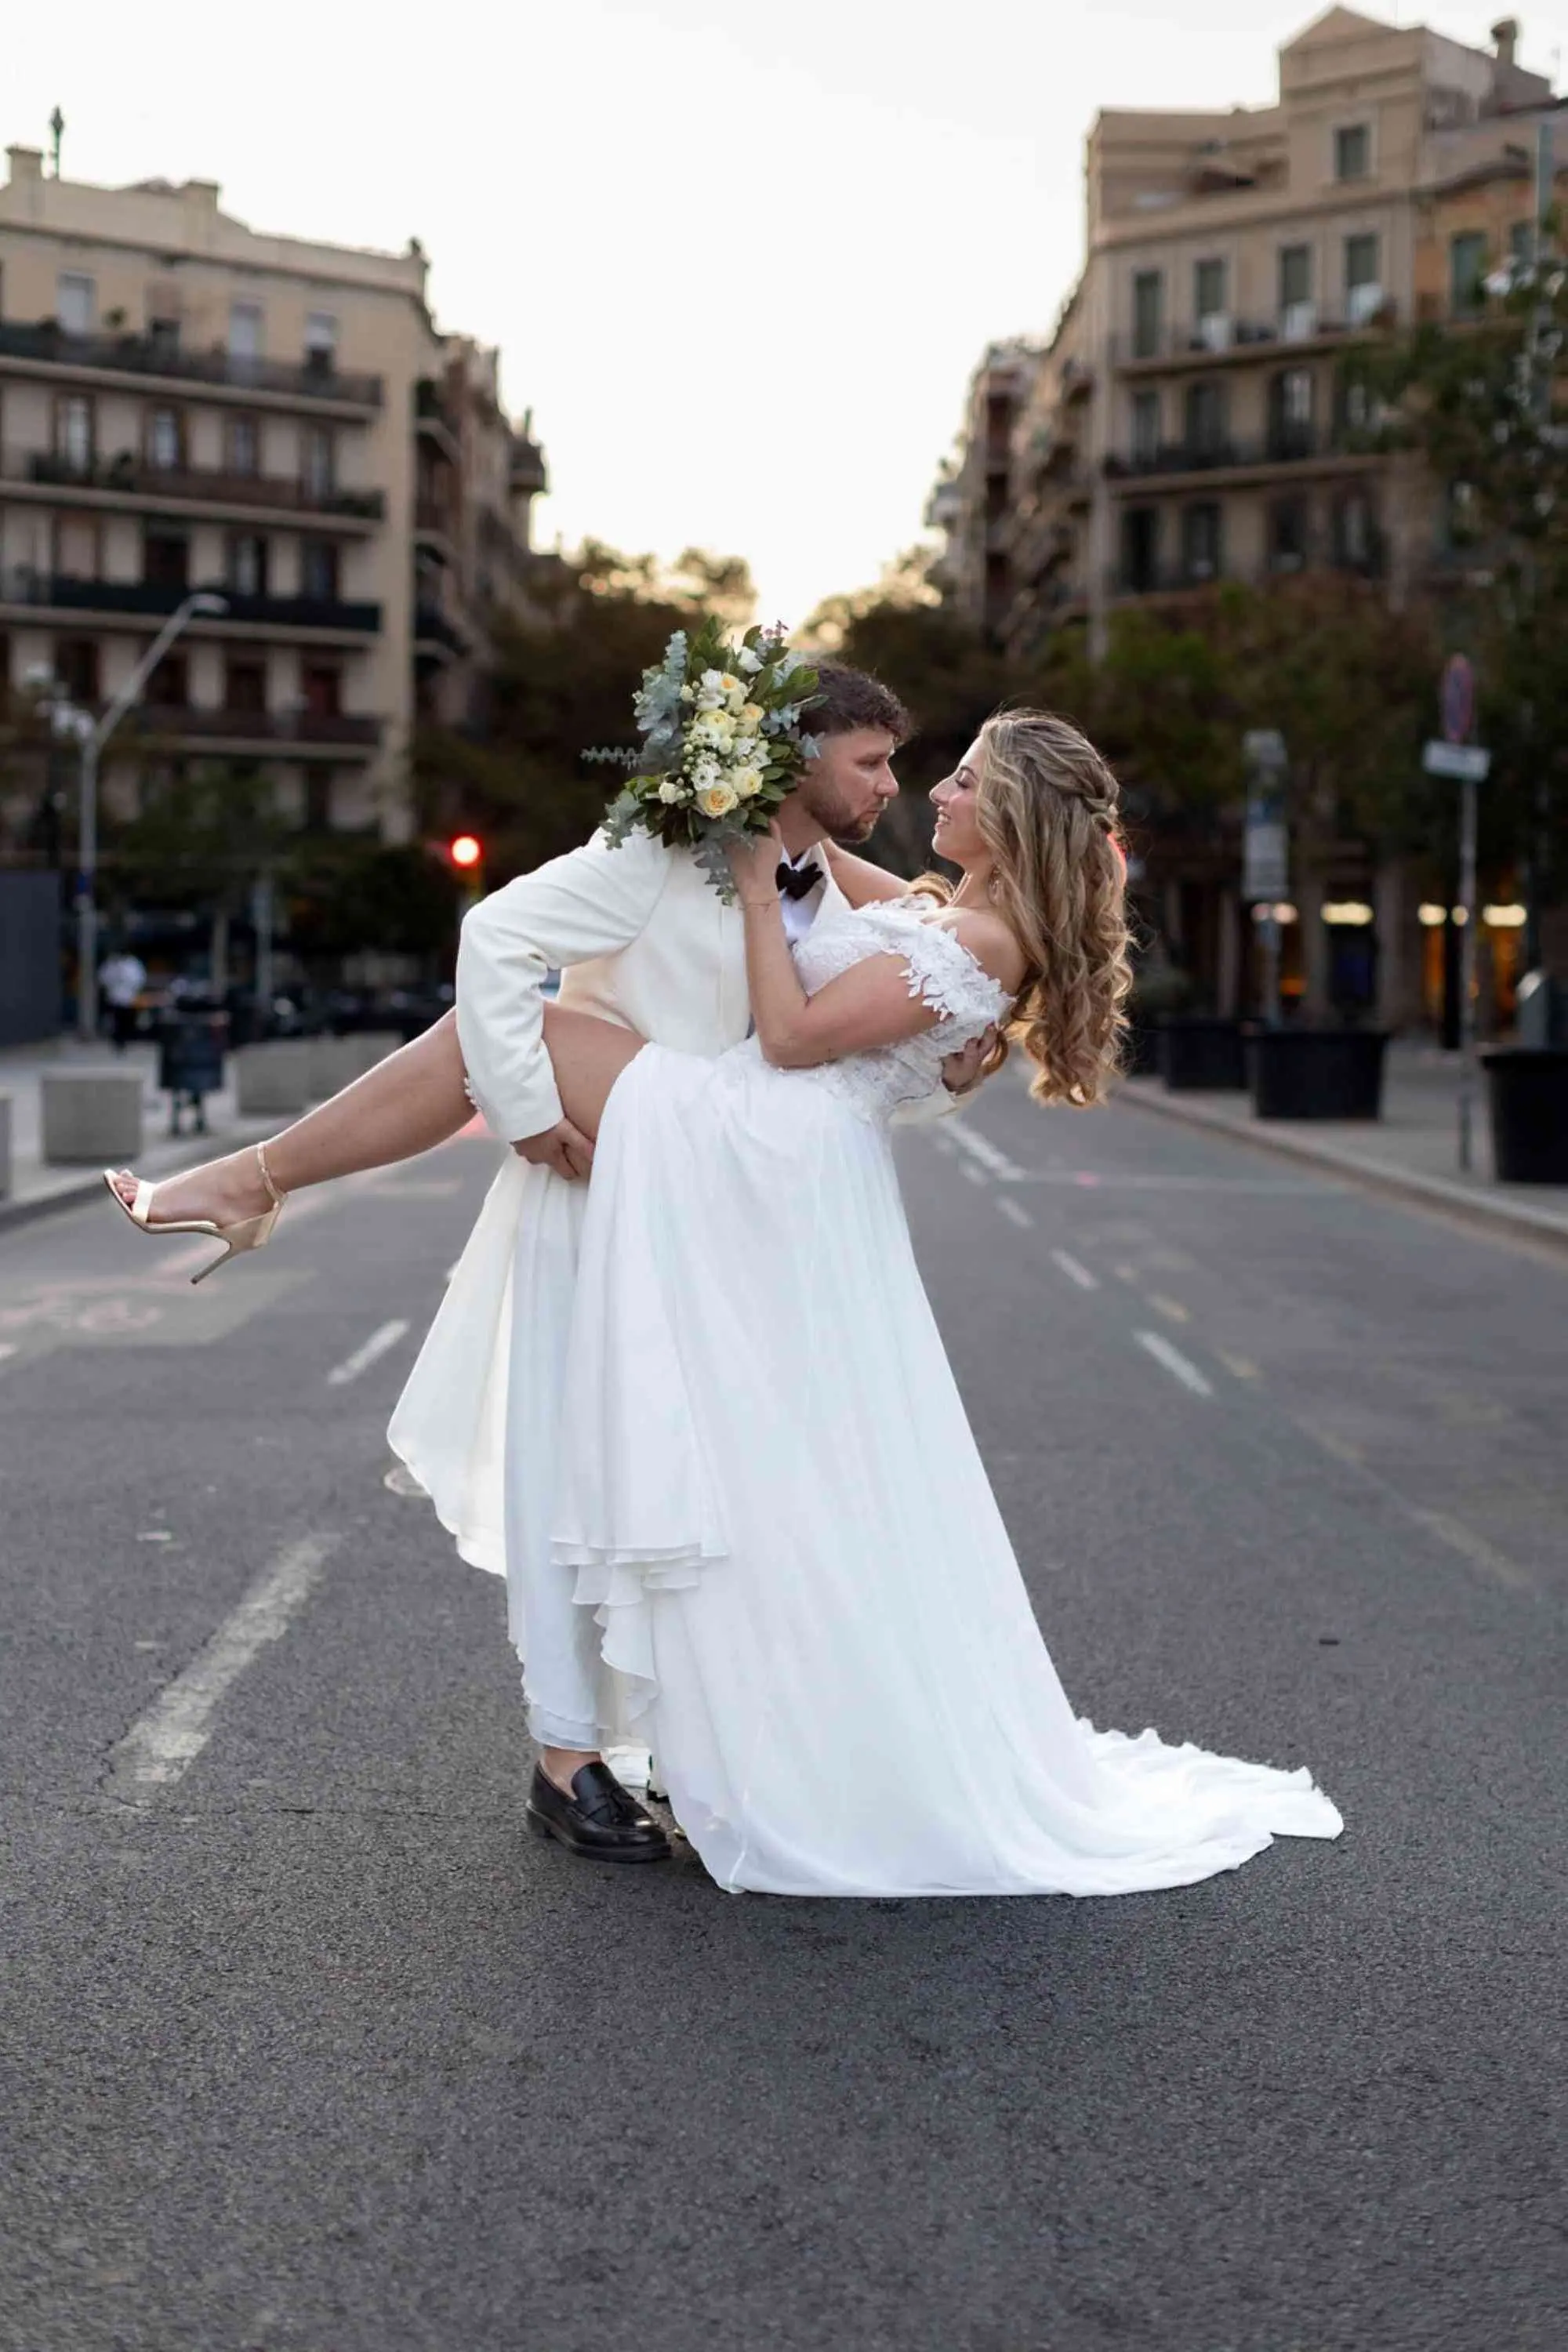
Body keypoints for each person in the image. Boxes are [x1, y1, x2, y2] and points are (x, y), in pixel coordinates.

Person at [401, 707, 1343, 1893]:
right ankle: (253, 1180)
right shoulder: (948, 909)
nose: (930, 794)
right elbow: (817, 851)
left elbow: (793, 1036)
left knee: (521, 1030)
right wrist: (746, 781)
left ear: (1006, 819)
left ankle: (256, 1180)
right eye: (917, 771)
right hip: (782, 1157)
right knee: (782, 1466)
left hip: (764, 1133)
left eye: (957, 781)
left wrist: (752, 886)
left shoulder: (986, 939)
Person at [97, 948, 147, 1051]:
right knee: (116, 1021)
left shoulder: (132, 963)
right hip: (114, 998)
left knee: (127, 1021)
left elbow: (139, 979)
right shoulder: (111, 963)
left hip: (128, 998)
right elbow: (103, 978)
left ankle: (126, 1039)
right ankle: (118, 1041)